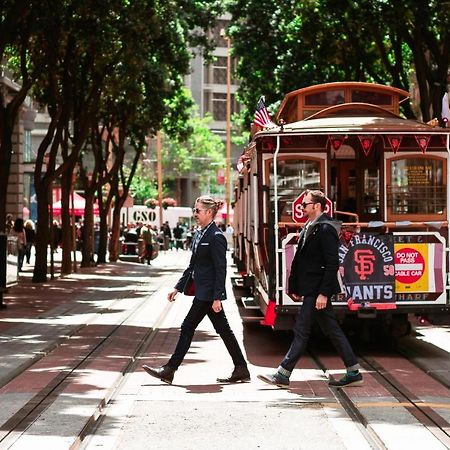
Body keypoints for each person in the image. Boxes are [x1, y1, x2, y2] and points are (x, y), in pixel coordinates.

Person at [258, 189, 362, 389]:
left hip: (317, 291)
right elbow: (302, 260)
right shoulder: (310, 225)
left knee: (301, 330)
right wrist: (297, 285)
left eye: (305, 204)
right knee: (331, 329)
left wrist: (323, 293)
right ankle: (353, 370)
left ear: (316, 206)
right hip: (311, 289)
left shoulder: (325, 229)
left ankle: (282, 374)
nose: (301, 206)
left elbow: (332, 263)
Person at [143, 195, 250, 385]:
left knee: (187, 326)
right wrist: (177, 287)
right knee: (223, 329)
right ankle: (241, 368)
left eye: (198, 210)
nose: (195, 214)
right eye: (194, 210)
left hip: (208, 294)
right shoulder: (200, 234)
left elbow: (220, 269)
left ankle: (170, 369)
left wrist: (218, 297)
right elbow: (192, 266)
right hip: (202, 292)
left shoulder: (216, 237)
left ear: (209, 213)